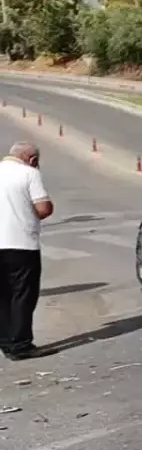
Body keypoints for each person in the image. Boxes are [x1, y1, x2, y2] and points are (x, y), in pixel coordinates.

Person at [0, 142, 52, 360]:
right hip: (21, 243)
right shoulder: (29, 173)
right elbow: (43, 208)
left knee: (2, 295)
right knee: (23, 294)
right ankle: (21, 344)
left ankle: (5, 341)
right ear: (32, 160)